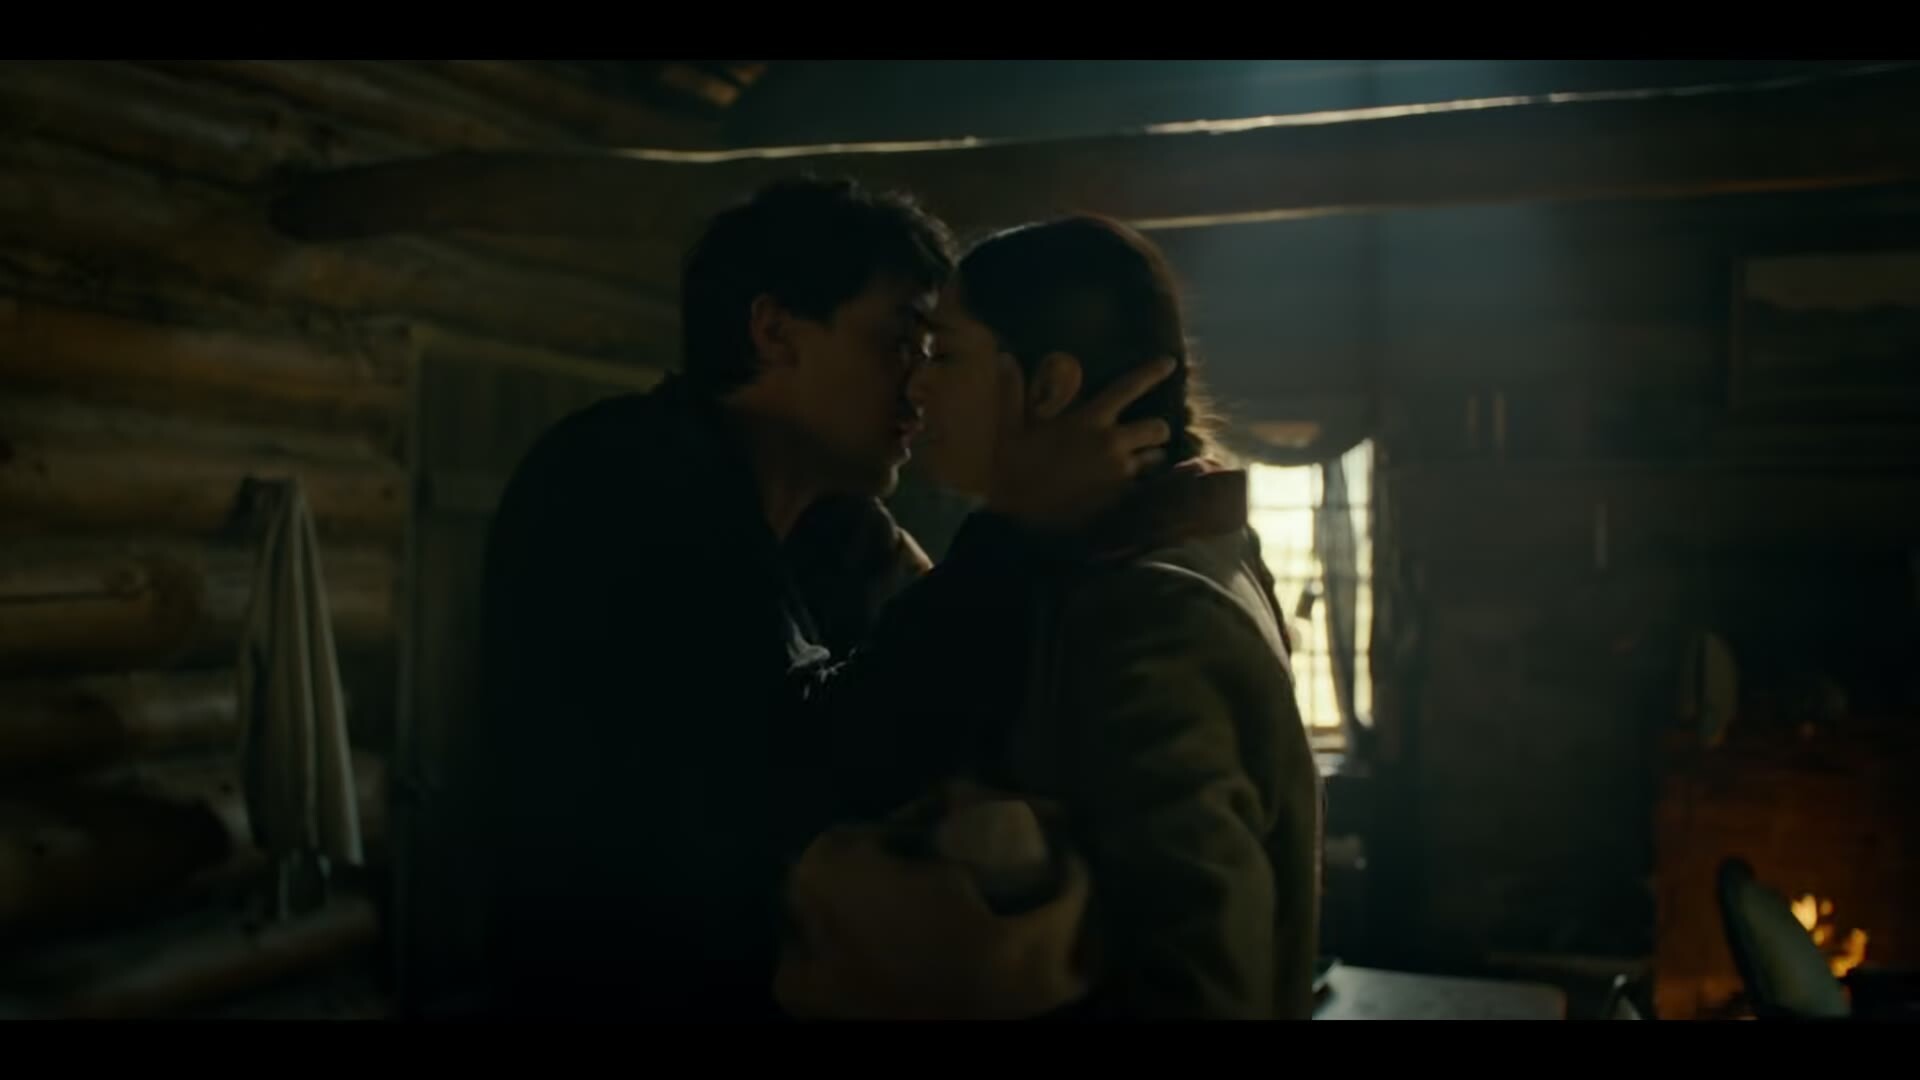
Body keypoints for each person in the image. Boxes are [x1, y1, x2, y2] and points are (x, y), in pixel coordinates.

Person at [474, 178, 1174, 1019]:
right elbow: (800, 767)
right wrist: (1018, 517)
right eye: (901, 342)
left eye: (935, 354)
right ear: (775, 332)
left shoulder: (833, 521)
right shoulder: (619, 480)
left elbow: (939, 691)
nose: (919, 388)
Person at [901, 215, 1324, 1019]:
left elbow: (1198, 988)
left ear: (1049, 387)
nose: (918, 385)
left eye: (944, 354)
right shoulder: (1158, 559)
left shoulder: (1148, 613)